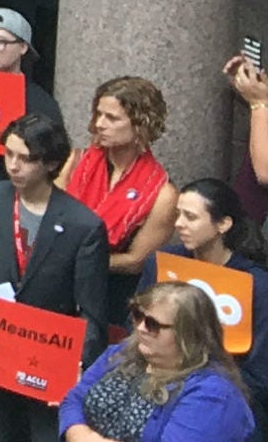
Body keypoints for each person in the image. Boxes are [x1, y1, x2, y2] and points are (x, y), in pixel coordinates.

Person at [0, 113, 116, 442]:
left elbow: (91, 311)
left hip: (46, 359)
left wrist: (78, 363)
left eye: (26, 159)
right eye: (9, 154)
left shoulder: (83, 225)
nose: (13, 166)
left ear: (50, 163)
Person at [58, 282, 254, 442]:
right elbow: (74, 399)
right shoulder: (122, 352)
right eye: (138, 316)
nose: (141, 328)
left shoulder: (214, 395)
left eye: (153, 324)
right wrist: (84, 436)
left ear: (187, 335)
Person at [152, 181, 268, 421]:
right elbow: (136, 332)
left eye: (190, 217)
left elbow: (261, 375)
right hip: (158, 386)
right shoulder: (161, 265)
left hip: (224, 402)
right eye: (178, 214)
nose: (178, 224)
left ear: (223, 224)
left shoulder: (255, 284)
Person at [70, 79, 183, 342]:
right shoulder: (75, 162)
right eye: (98, 114)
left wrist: (77, 260)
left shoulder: (163, 194)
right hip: (61, 287)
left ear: (140, 125)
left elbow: (136, 261)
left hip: (112, 295)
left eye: (112, 118)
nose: (99, 124)